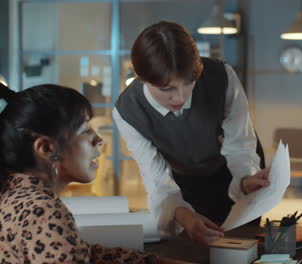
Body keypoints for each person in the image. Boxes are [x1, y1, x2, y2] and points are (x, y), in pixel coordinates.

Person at [113, 21, 270, 245]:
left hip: (237, 164)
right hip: (185, 178)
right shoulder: (128, 112)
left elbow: (240, 144)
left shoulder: (221, 76)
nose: (179, 97)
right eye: (166, 89)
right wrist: (183, 214)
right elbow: (157, 179)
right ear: (142, 78)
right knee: (193, 243)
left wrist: (245, 180)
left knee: (243, 243)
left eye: (189, 83)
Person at [0, 83, 191, 264]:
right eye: (85, 131)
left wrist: (153, 261)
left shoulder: (14, 197)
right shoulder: (42, 212)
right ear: (47, 148)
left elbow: (82, 252)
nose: (99, 139)